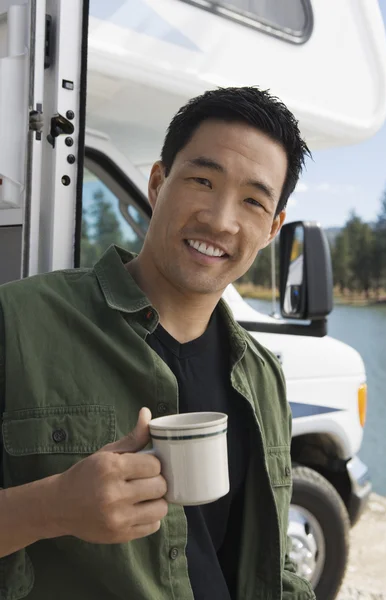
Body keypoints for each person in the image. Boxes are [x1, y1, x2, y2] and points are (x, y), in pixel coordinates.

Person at [0, 86, 315, 599]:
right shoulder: (17, 322)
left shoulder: (264, 377)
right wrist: (50, 507)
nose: (219, 220)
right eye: (202, 180)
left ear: (273, 228)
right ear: (157, 181)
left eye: (253, 201)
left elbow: (270, 563)